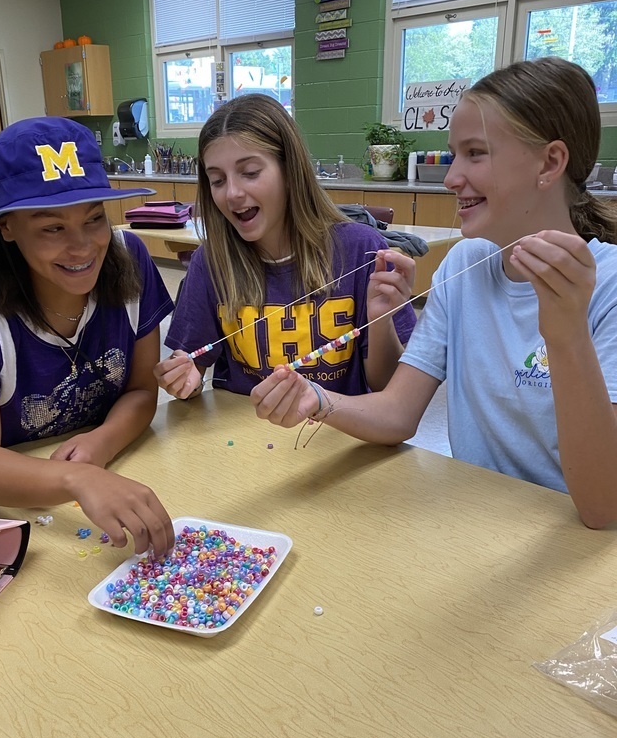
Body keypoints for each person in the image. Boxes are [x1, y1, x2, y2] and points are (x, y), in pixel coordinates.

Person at [252, 57, 617, 529]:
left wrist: (566, 336)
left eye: (475, 153)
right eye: (454, 153)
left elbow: (603, 509)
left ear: (550, 162)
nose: (450, 178)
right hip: (470, 521)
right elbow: (399, 413)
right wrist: (317, 400)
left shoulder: (607, 286)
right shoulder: (465, 264)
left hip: (572, 546)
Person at [0, 117, 176, 554]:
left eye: (94, 219)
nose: (84, 246)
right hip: (25, 512)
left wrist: (101, 444)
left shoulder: (129, 258)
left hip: (118, 475)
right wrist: (77, 477)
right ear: (6, 227)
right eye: (52, 228)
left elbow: (143, 388)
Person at [154, 93, 417, 404]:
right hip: (246, 438)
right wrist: (185, 381)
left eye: (250, 173)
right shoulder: (211, 262)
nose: (233, 194)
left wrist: (381, 320)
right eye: (217, 180)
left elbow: (388, 387)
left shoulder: (360, 250)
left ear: (290, 171)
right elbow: (192, 372)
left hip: (337, 435)